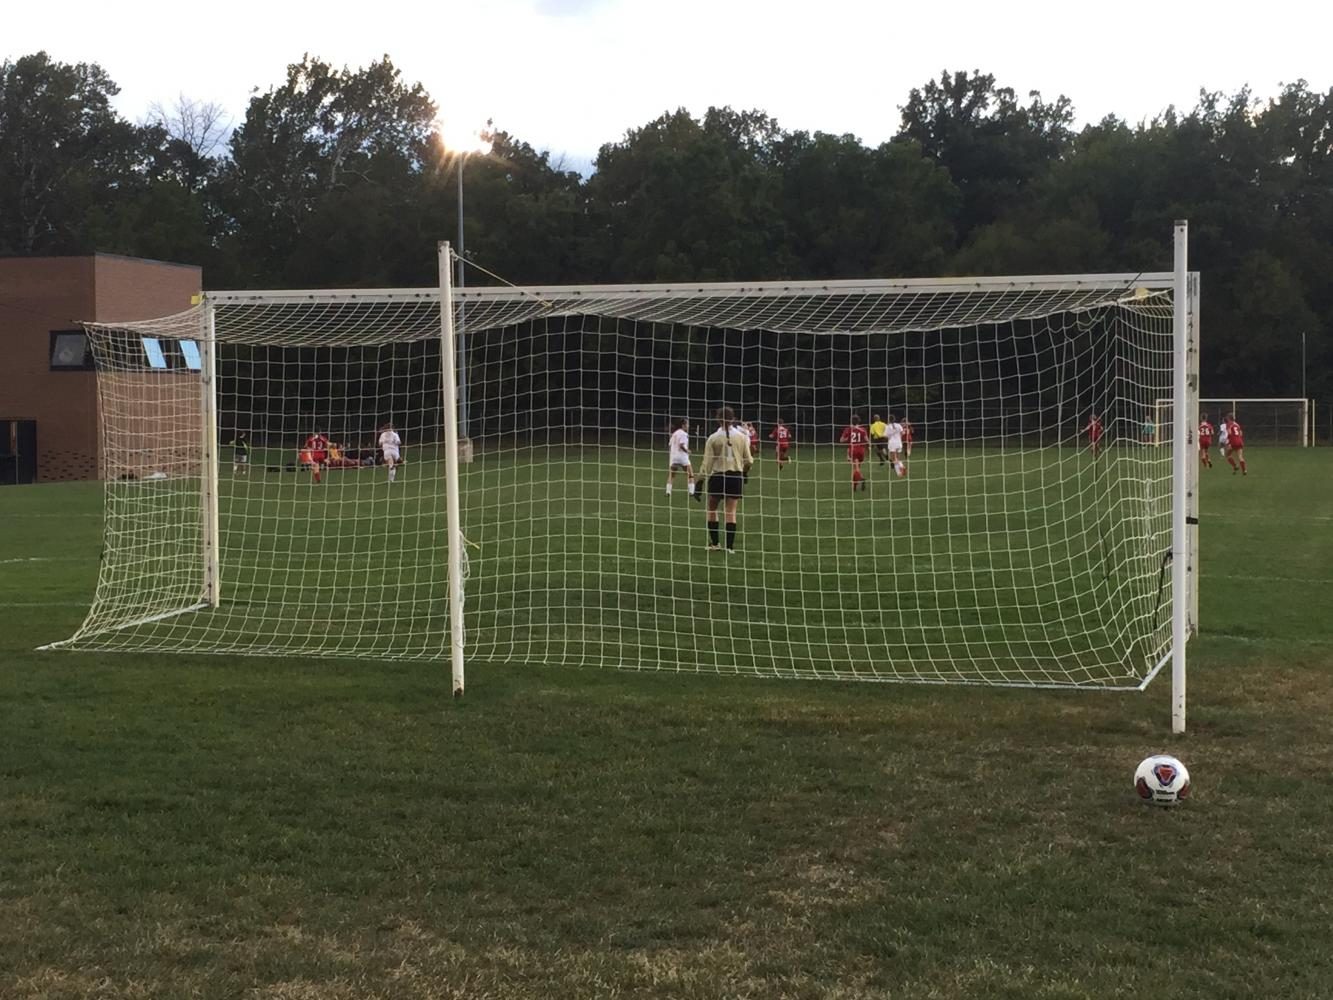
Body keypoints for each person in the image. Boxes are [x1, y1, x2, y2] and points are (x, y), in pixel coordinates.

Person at [699, 406, 753, 554]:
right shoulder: (742, 437)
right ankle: (729, 547)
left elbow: (707, 463)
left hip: (718, 476)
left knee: (711, 509)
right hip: (735, 477)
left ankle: (715, 544)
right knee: (731, 512)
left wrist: (700, 481)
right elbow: (749, 461)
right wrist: (744, 473)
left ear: (718, 419)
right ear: (733, 418)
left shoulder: (713, 438)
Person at [665, 417, 699, 501]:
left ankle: (668, 491)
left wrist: (672, 455)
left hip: (674, 457)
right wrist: (687, 450)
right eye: (687, 424)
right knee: (690, 474)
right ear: (683, 425)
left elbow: (670, 445)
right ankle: (691, 492)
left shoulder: (674, 433)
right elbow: (681, 445)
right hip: (682, 457)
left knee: (672, 475)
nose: (688, 426)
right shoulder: (684, 434)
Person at [840, 414, 869, 492]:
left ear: (851, 421)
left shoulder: (848, 429)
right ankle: (856, 485)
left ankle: (859, 481)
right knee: (857, 468)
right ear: (859, 421)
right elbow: (867, 440)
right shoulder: (863, 429)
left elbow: (841, 440)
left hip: (853, 450)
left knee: (854, 469)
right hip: (861, 450)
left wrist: (848, 438)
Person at [885, 413, 907, 477]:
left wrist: (889, 436)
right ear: (894, 419)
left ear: (889, 420)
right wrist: (898, 436)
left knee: (893, 459)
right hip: (899, 443)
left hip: (892, 443)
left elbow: (886, 436)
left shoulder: (888, 426)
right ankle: (900, 473)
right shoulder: (898, 425)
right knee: (897, 458)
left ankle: (902, 467)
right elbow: (903, 432)